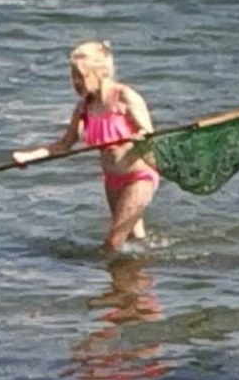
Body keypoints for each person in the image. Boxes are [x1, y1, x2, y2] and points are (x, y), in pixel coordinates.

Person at [10, 40, 159, 255]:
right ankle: (134, 283)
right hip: (112, 181)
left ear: (100, 73)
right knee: (134, 240)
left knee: (113, 242)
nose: (75, 82)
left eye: (81, 75)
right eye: (73, 76)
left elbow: (149, 133)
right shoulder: (84, 108)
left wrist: (137, 137)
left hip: (139, 177)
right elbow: (63, 145)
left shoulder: (125, 97)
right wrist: (28, 157)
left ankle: (113, 277)